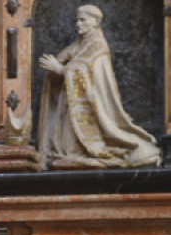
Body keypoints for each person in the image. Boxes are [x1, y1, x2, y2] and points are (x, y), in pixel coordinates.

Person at [37, 4, 160, 169]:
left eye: (82, 20)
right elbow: (67, 59)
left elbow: (82, 68)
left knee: (76, 145)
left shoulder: (97, 45)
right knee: (67, 144)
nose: (78, 24)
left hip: (91, 106)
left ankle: (82, 152)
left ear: (95, 22)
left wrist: (60, 69)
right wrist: (56, 66)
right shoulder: (79, 44)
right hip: (71, 103)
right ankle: (72, 154)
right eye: (77, 20)